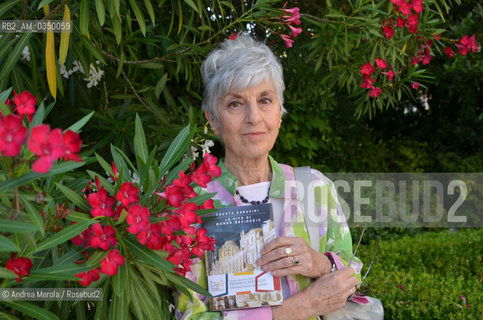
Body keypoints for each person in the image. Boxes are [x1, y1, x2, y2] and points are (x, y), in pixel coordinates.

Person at [175, 34, 362, 320]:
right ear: (212, 119)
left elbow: (353, 276)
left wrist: (321, 265)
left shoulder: (313, 188)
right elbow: (189, 314)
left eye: (265, 100)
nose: (254, 117)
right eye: (235, 104)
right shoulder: (192, 202)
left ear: (280, 113)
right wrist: (297, 309)